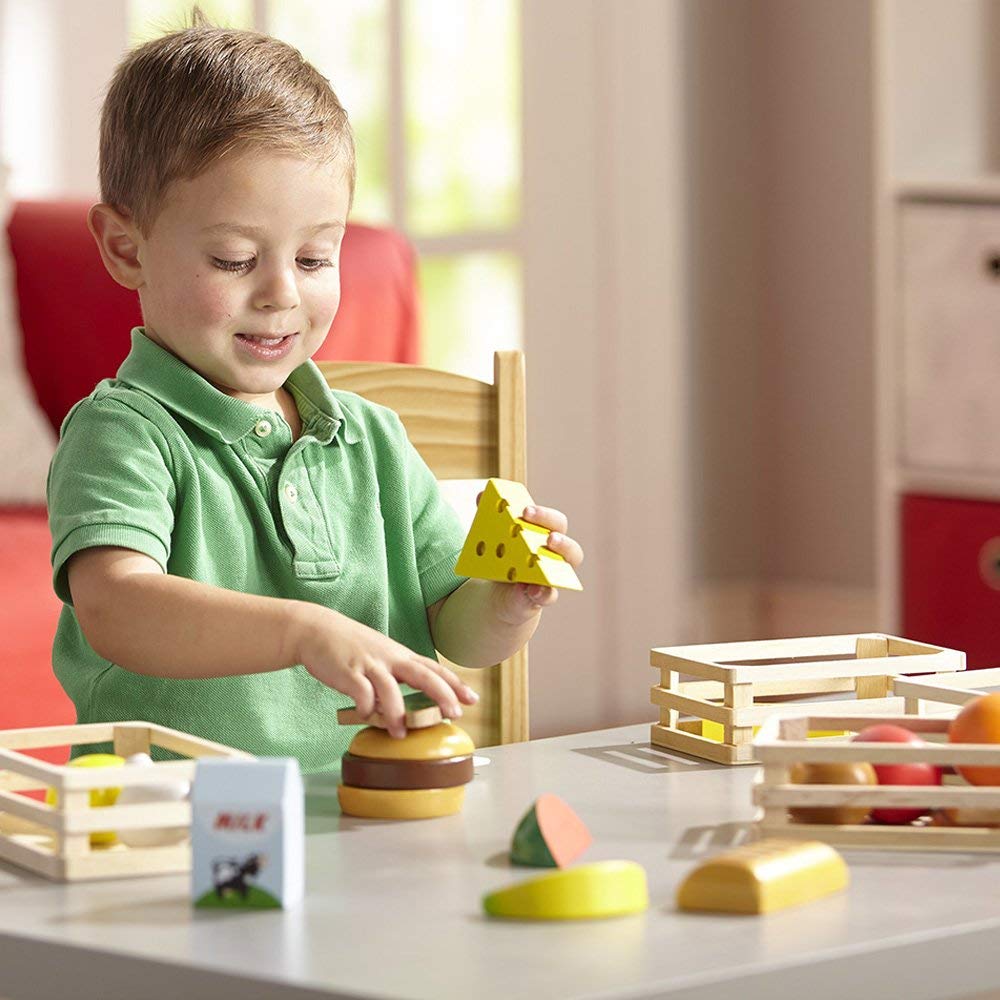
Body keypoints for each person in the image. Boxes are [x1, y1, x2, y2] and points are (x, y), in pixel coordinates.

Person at [46, 13, 584, 772]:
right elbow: (117, 608)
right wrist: (302, 629)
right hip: (180, 826)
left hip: (369, 811)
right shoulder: (124, 431)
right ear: (126, 248)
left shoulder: (373, 438)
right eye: (234, 260)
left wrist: (506, 600)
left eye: (313, 257)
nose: (279, 294)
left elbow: (455, 630)